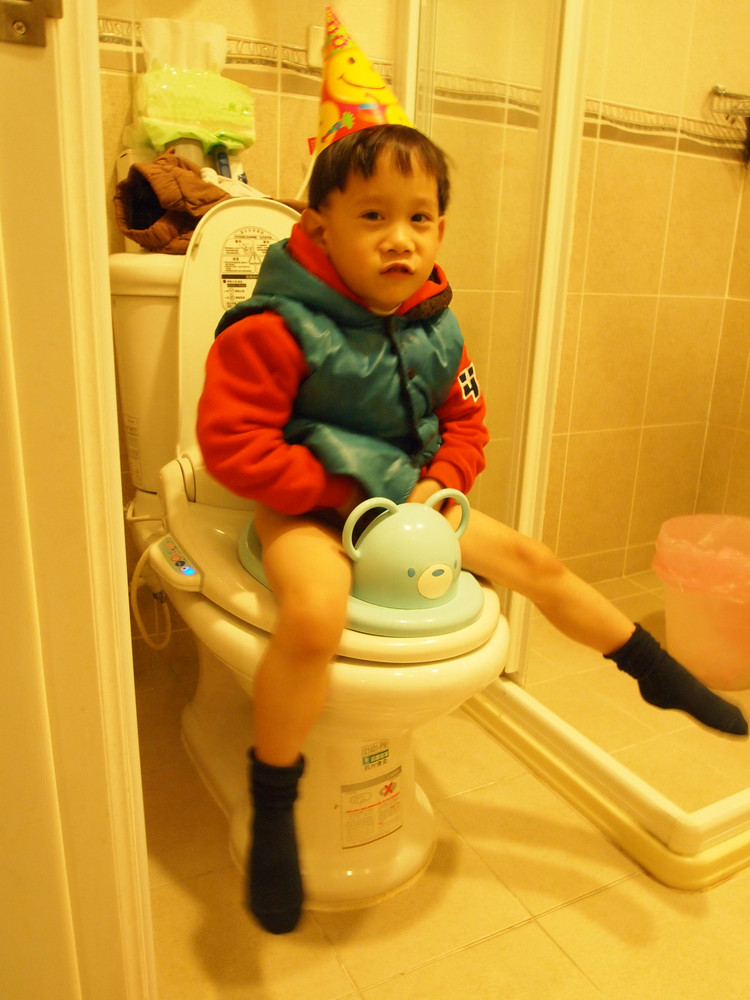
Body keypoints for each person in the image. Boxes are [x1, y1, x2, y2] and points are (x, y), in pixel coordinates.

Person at [195, 123, 747, 935]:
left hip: (409, 500)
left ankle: (654, 670)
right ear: (318, 225)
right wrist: (344, 490)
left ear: (441, 229)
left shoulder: (437, 326)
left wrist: (440, 483)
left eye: (418, 218)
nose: (400, 238)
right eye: (373, 216)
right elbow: (233, 450)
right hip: (307, 504)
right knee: (314, 618)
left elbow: (467, 425)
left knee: (532, 558)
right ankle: (275, 796)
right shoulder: (271, 330)